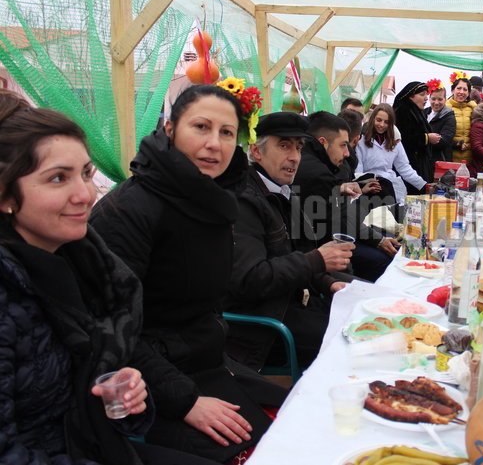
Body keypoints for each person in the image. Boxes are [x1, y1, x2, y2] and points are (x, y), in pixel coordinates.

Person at [0, 89, 221, 465]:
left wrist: (127, 396)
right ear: (6, 197)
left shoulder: (82, 262)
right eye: (58, 178)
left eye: (87, 174)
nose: (85, 194)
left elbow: (86, 389)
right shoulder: (122, 220)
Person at [90, 85, 285, 463]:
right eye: (201, 127)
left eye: (226, 132)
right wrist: (186, 401)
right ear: (170, 130)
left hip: (208, 362)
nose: (214, 143)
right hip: (149, 386)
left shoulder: (215, 200)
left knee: (302, 419)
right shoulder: (129, 211)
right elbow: (110, 331)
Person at [226, 112, 353, 372]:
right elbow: (251, 279)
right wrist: (317, 260)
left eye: (299, 147)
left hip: (289, 302)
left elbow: (296, 255)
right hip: (261, 327)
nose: (295, 157)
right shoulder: (244, 200)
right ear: (256, 152)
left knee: (362, 313)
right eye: (284, 146)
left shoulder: (281, 192)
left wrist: (328, 283)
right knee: (352, 340)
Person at [293, 111, 398, 282]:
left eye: (297, 147)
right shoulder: (320, 173)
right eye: (343, 145)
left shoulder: (325, 166)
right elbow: (340, 228)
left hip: (312, 257)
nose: (347, 153)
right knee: (382, 262)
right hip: (317, 263)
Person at [356, 103, 426, 208]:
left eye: (386, 122)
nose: (382, 125)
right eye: (379, 120)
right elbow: (358, 169)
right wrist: (362, 185)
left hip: (391, 187)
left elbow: (404, 167)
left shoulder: (395, 141)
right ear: (373, 119)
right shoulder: (361, 140)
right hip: (370, 187)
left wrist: (423, 185)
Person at [393, 81, 438, 185]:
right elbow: (404, 138)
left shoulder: (417, 111)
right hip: (409, 162)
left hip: (419, 161)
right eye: (422, 94)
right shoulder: (403, 111)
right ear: (410, 96)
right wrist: (427, 138)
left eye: (426, 95)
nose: (426, 98)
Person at [447, 72, 478, 166]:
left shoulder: (474, 109)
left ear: (468, 93)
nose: (462, 92)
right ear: (452, 90)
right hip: (450, 158)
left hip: (469, 159)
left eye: (465, 89)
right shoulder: (445, 108)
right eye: (459, 88)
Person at [423, 79, 456, 162]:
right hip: (424, 160)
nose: (436, 102)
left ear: (445, 99)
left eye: (440, 99)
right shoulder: (423, 113)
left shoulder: (449, 117)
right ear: (429, 98)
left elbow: (443, 142)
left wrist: (424, 139)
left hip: (440, 161)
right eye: (433, 99)